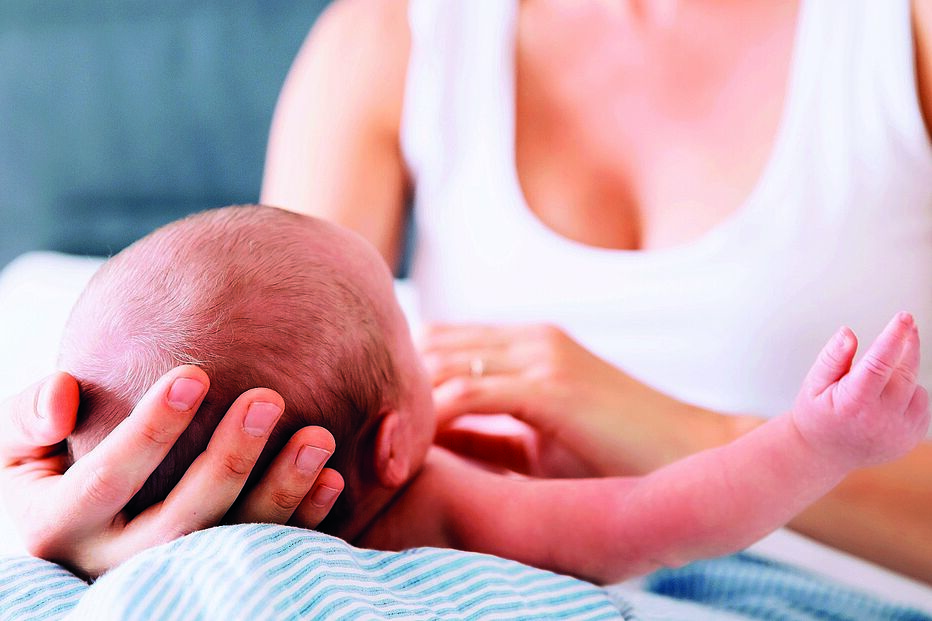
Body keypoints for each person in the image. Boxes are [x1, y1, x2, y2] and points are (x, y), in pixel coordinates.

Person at [3, 0, 932, 583]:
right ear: (393, 444)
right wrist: (107, 517)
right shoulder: (390, 36)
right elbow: (258, 355)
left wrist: (691, 430)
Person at [52, 204, 931, 584]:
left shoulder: (126, 555)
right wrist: (818, 442)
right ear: (392, 446)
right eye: (410, 338)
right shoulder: (445, 502)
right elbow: (657, 518)